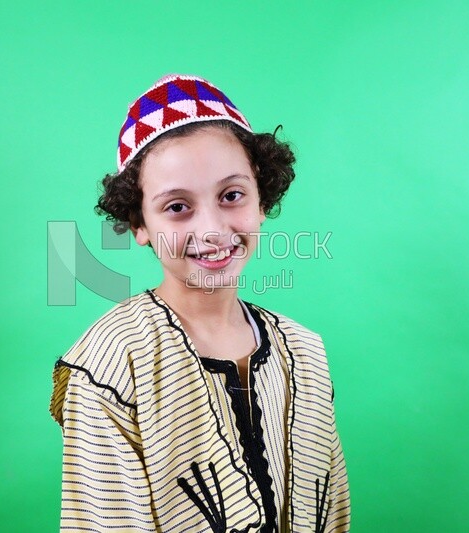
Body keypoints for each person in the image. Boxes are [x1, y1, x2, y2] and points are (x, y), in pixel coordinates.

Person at [50, 74, 350, 532]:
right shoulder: (111, 366)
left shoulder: (306, 352)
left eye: (231, 196)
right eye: (177, 207)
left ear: (261, 198)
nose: (211, 228)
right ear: (139, 223)